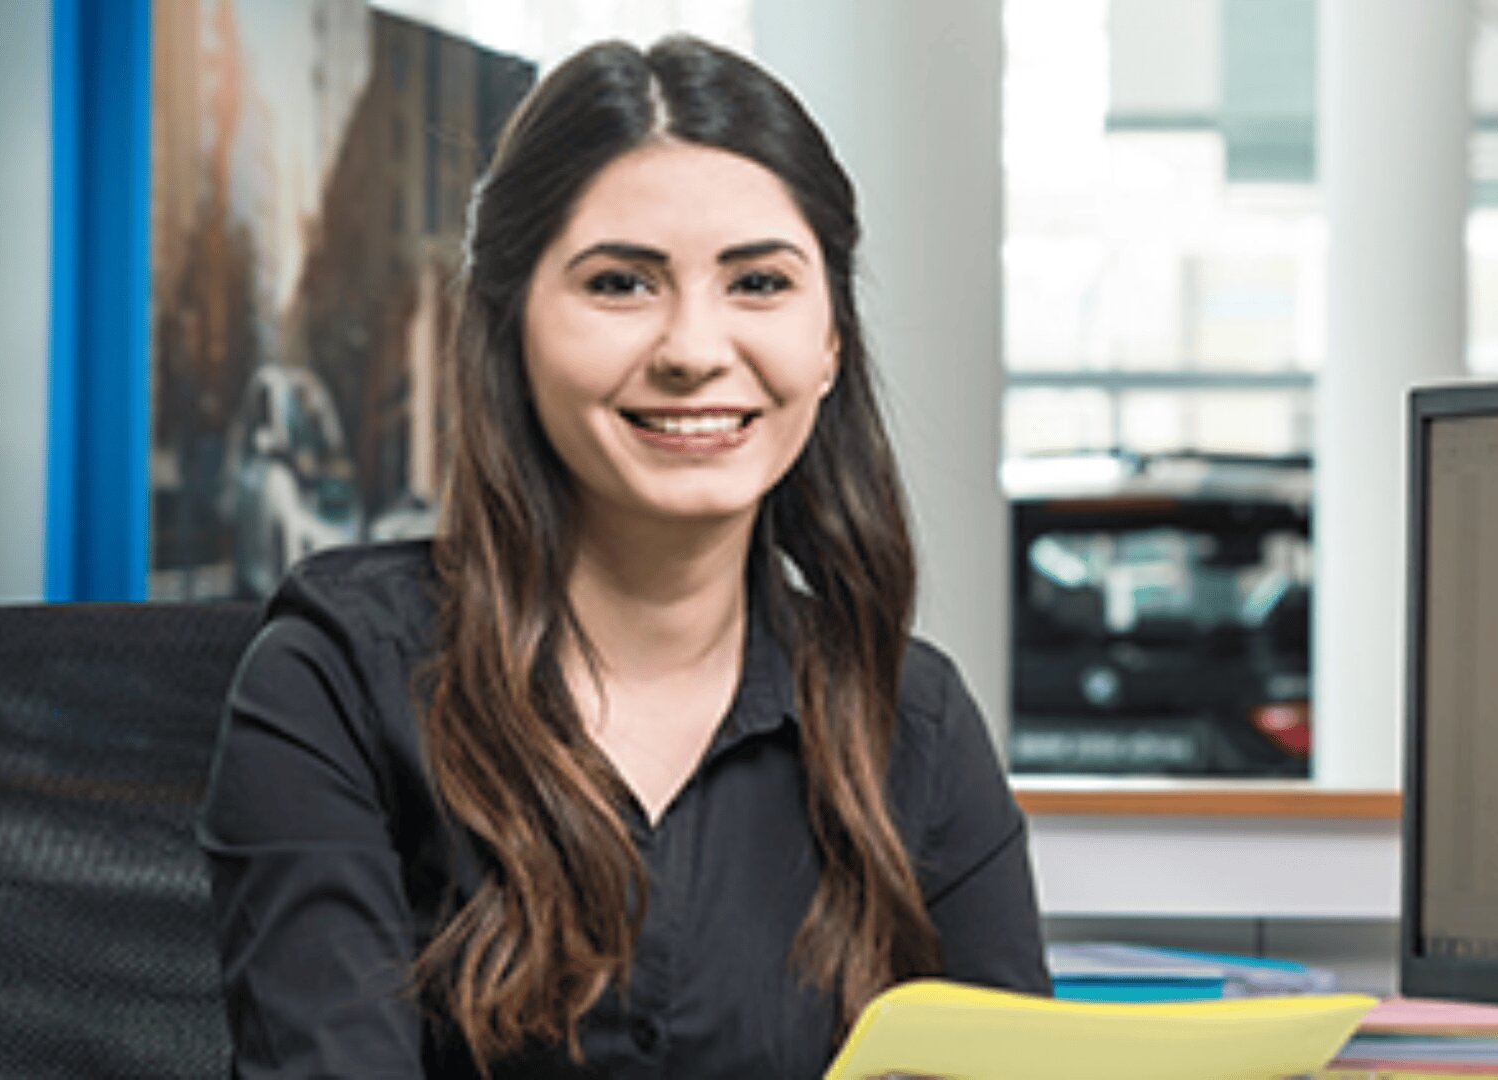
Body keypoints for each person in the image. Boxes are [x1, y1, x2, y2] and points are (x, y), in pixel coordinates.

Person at [198, 34, 1049, 1079]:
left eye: (760, 283)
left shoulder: (909, 724)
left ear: (830, 343)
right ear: (510, 331)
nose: (693, 349)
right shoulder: (337, 680)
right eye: (620, 283)